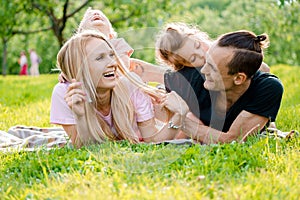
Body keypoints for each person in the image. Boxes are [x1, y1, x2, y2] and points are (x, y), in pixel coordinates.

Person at [50, 31, 182, 148]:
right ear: (79, 68)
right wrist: (80, 117)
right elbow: (84, 148)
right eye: (100, 58)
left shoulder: (130, 85)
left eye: (111, 55)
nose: (113, 63)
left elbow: (153, 141)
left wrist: (179, 115)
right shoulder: (65, 93)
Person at [161, 30, 284, 144]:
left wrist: (180, 119)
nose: (204, 70)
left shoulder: (267, 88)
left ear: (239, 78)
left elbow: (233, 141)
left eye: (213, 68)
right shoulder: (190, 78)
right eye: (206, 62)